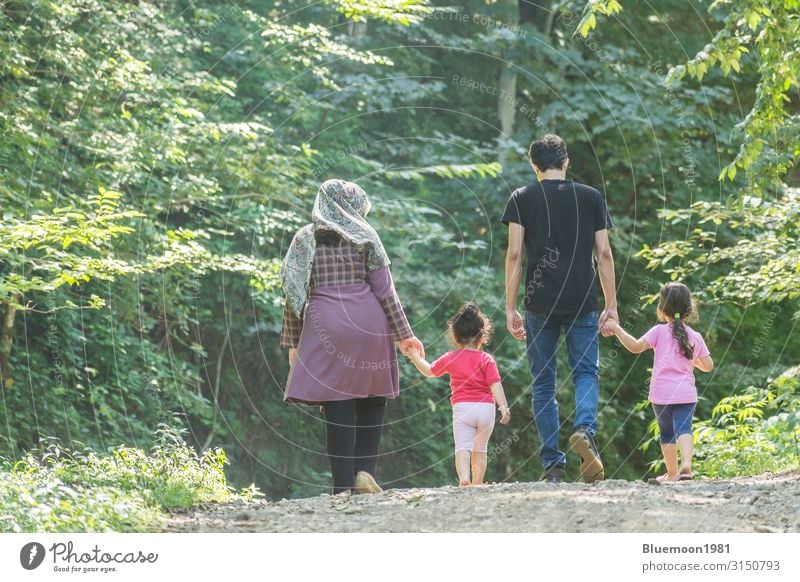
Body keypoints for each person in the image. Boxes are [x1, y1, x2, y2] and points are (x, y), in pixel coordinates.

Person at [280, 179, 425, 495]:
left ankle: (342, 485)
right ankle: (364, 472)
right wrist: (405, 335)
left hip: (324, 325)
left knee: (337, 402)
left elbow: (292, 294)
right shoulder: (367, 237)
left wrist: (293, 342)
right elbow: (386, 291)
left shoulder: (304, 239)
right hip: (369, 324)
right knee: (372, 398)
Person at [502, 134, 617, 483]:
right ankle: (584, 430)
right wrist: (611, 305)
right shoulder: (591, 197)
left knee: (543, 383)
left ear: (534, 165)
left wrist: (509, 307)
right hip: (582, 300)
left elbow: (515, 256)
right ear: (566, 162)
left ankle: (554, 465)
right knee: (586, 372)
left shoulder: (521, 198)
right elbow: (605, 255)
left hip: (540, 303)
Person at [603, 282, 713, 482]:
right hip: (686, 393)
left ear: (662, 309)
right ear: (689, 309)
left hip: (661, 394)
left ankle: (672, 474)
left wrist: (617, 329)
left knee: (667, 433)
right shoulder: (695, 337)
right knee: (684, 427)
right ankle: (686, 464)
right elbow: (708, 366)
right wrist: (691, 358)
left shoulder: (658, 332)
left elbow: (635, 347)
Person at [406, 303, 511, 486]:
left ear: (454, 336)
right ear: (481, 337)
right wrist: (503, 406)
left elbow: (429, 371)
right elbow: (495, 385)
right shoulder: (487, 359)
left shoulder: (450, 357)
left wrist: (415, 355)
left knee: (463, 446)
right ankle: (477, 483)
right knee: (481, 449)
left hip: (463, 408)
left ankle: (464, 478)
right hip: (486, 409)